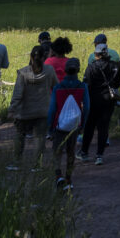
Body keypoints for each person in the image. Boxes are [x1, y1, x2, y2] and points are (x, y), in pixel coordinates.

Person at [7, 46, 57, 171]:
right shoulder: (49, 71)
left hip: (24, 112)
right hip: (43, 110)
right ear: (44, 57)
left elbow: (18, 94)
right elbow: (56, 86)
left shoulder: (23, 73)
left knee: (20, 135)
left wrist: (12, 109)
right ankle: (36, 165)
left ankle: (16, 162)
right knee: (40, 137)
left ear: (31, 57)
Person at [81, 33, 120, 165]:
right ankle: (99, 155)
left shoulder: (91, 67)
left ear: (96, 54)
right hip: (108, 99)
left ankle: (84, 152)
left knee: (89, 126)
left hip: (93, 99)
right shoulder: (114, 66)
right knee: (103, 126)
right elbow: (119, 82)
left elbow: (86, 84)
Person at [49, 57, 88, 191]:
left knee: (57, 151)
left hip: (59, 124)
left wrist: (50, 126)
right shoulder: (82, 87)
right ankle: (68, 178)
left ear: (65, 70)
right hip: (74, 124)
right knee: (71, 152)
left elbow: (52, 109)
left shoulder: (58, 87)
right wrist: (83, 123)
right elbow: (87, 107)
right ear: (78, 70)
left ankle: (58, 175)